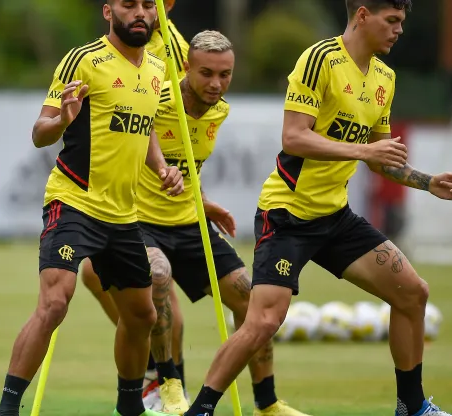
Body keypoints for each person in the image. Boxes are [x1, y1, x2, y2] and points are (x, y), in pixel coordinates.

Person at [182, 1, 452, 416]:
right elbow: (294, 138)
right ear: (362, 15)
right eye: (392, 21)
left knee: (413, 293)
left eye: (401, 23)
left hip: (335, 218)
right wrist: (363, 149)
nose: (398, 31)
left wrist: (428, 182)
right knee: (264, 321)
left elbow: (379, 159)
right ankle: (202, 409)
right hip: (286, 214)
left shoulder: (384, 79)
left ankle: (413, 407)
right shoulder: (320, 59)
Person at [80, 30, 311, 416]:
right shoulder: (157, 100)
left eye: (225, 74)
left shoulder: (220, 111)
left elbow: (189, 166)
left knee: (251, 299)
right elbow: (125, 147)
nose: (216, 84)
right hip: (140, 221)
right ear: (186, 66)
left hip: (189, 223)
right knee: (157, 276)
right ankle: (168, 382)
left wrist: (204, 203)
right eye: (206, 73)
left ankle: (267, 403)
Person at [0, 1, 184, 416]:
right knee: (55, 303)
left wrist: (163, 166)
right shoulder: (84, 60)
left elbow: (145, 126)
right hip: (75, 201)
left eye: (147, 5)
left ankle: (129, 406)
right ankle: (7, 409)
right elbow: (40, 133)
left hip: (122, 213)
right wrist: (61, 120)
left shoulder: (156, 68)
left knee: (142, 315)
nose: (139, 12)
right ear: (108, 11)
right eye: (128, 4)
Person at [79, 0, 191, 409]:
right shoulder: (117, 42)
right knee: (98, 276)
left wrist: (172, 171)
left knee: (158, 290)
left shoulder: (170, 47)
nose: (143, 8)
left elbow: (182, 118)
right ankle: (152, 373)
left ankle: (168, 382)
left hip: (152, 193)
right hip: (119, 190)